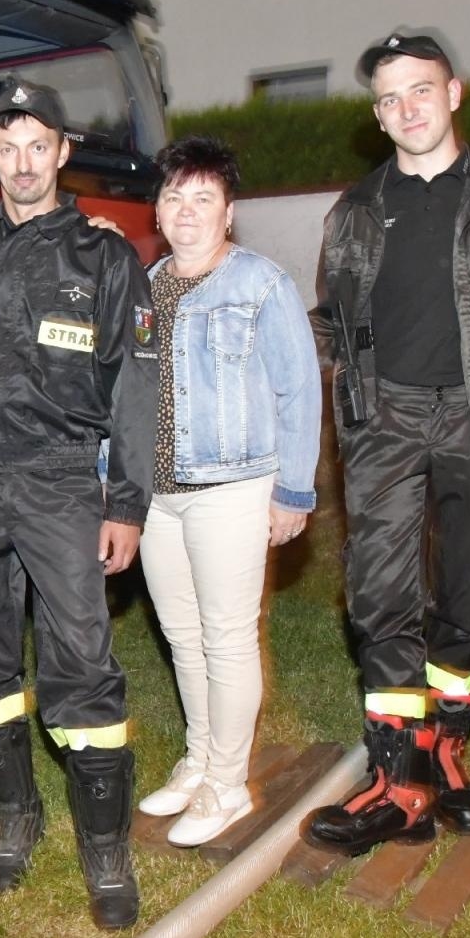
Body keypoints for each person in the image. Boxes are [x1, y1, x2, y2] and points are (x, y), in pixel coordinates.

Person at [304, 34, 470, 856]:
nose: (405, 108)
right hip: (386, 422)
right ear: (377, 114)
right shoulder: (355, 211)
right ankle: (396, 778)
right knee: (379, 596)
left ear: (454, 93)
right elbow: (333, 319)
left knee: (468, 593)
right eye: (388, 98)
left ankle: (447, 751)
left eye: (420, 89)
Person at [0, 81, 157, 930]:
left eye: (40, 145)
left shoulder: (107, 258)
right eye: (8, 147)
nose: (24, 163)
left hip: (64, 479)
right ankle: (15, 815)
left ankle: (104, 846)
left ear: (63, 152)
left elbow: (136, 388)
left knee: (81, 661)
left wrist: (126, 503)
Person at [132, 136, 321, 846]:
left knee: (228, 637)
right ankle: (201, 759)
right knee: (182, 637)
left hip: (233, 486)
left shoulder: (261, 283)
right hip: (157, 493)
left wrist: (293, 493)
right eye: (174, 195)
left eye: (202, 197)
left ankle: (228, 785)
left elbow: (299, 390)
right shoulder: (146, 286)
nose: (186, 210)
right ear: (158, 207)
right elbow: (127, 390)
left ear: (228, 212)